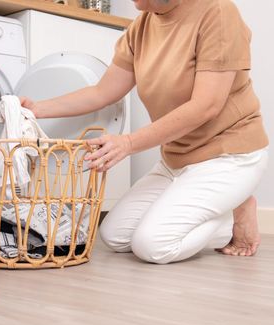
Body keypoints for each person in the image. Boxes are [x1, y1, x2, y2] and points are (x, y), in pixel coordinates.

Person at [22, 0, 269, 264]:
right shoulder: (142, 26)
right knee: (114, 236)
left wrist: (128, 143)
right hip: (177, 160)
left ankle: (237, 211)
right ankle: (225, 203)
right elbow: (102, 92)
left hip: (228, 154)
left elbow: (206, 106)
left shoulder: (217, 12)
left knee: (153, 246)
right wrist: (38, 108)